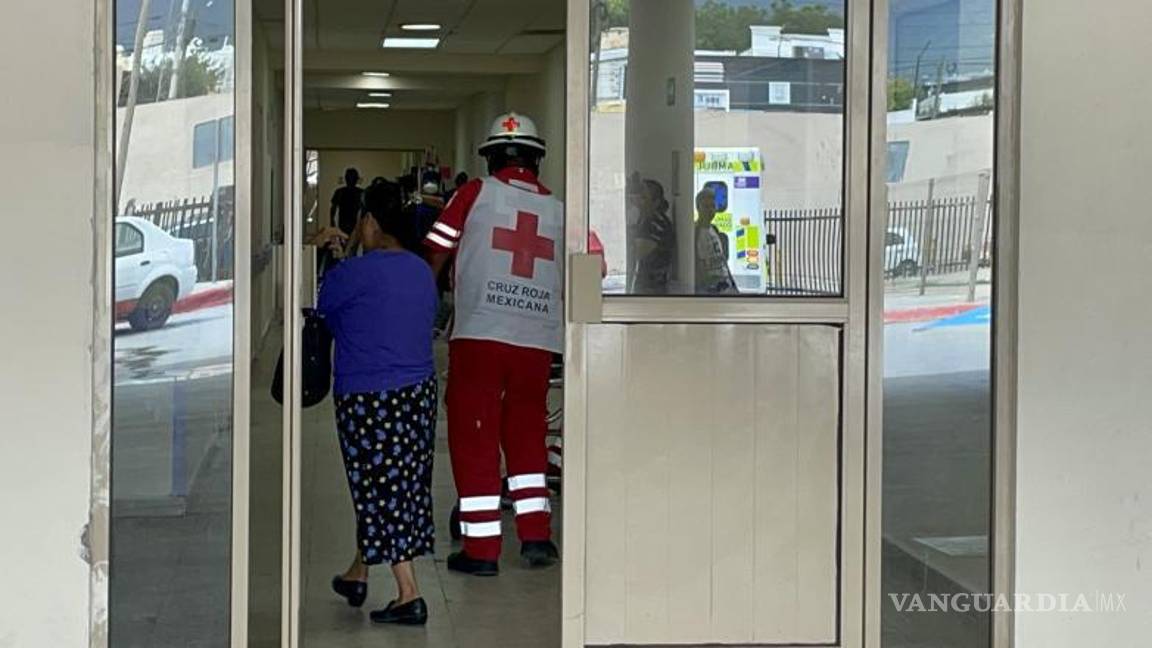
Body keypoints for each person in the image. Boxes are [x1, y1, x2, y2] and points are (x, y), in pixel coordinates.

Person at [424, 111, 563, 575]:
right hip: (538, 340)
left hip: (481, 335)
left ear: (490, 159)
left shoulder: (474, 193)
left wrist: (424, 301)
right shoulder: (561, 209)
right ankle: (536, 537)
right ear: (536, 160)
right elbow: (594, 264)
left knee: (475, 435)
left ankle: (482, 550)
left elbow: (438, 249)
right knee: (527, 435)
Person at [317, 182, 440, 626]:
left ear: (369, 222)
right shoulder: (421, 270)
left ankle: (408, 593)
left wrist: (340, 249)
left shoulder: (355, 273)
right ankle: (358, 571)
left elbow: (323, 305)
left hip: (369, 397)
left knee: (376, 486)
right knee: (400, 481)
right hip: (418, 391)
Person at [628, 176, 676, 294]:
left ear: (656, 202)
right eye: (638, 196)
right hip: (645, 286)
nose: (638, 201)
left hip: (653, 289)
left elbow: (639, 252)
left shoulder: (656, 223)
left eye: (644, 197)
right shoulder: (644, 219)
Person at [694, 187, 739, 294]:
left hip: (724, 284)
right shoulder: (695, 232)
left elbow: (722, 259)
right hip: (708, 287)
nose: (710, 210)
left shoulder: (714, 229)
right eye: (706, 206)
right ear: (698, 208)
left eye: (712, 206)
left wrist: (733, 284)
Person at [330, 168, 364, 236]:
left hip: (356, 226)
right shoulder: (339, 192)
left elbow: (365, 211)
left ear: (356, 179)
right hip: (343, 226)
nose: (351, 180)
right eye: (349, 177)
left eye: (353, 177)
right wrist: (332, 222)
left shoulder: (361, 193)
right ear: (346, 179)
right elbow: (333, 208)